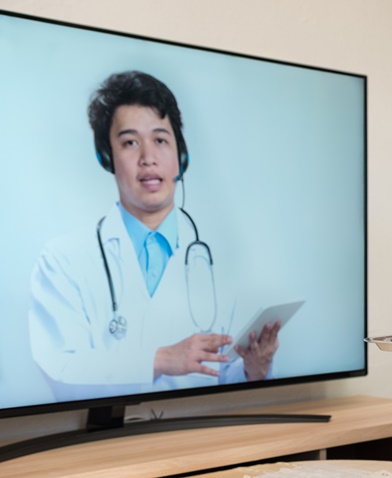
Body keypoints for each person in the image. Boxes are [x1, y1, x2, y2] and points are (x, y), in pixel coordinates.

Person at [28, 71, 281, 401]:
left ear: (181, 158)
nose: (148, 158)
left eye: (160, 140)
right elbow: (59, 370)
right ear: (107, 157)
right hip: (107, 432)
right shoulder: (63, 260)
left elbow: (224, 378)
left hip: (204, 428)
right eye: (130, 142)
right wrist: (159, 360)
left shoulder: (217, 261)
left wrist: (254, 370)